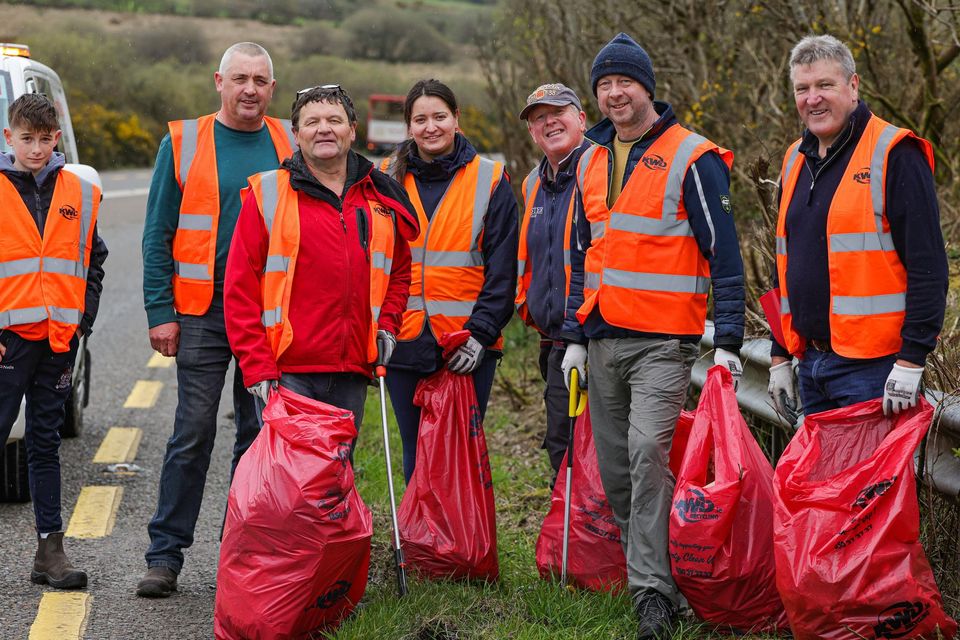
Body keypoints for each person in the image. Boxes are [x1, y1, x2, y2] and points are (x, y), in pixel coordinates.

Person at [572, 33, 745, 639]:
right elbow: (582, 254)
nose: (615, 93)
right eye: (604, 85)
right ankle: (649, 565)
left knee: (648, 457)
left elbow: (725, 255)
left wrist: (728, 339)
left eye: (625, 82)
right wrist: (573, 334)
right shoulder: (590, 157)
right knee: (617, 469)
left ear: (648, 87)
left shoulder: (691, 156)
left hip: (663, 344)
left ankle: (653, 593)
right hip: (600, 339)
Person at [138, 42, 295, 598]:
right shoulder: (181, 141)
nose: (249, 89)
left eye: (259, 80)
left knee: (258, 436)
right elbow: (156, 233)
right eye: (239, 78)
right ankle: (165, 555)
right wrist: (161, 311)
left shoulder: (291, 142)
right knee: (192, 432)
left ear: (272, 89)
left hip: (268, 314)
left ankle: (242, 554)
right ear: (218, 81)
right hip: (201, 313)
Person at [767, 35, 947, 420]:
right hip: (810, 365)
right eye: (803, 88)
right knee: (819, 483)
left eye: (824, 85)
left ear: (853, 86)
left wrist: (912, 360)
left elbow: (928, 267)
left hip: (875, 371)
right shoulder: (792, 161)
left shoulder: (895, 154)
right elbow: (781, 267)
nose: (812, 98)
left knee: (868, 483)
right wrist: (779, 353)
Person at [224, 85, 418, 436]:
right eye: (312, 122)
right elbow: (240, 288)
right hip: (287, 371)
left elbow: (399, 271)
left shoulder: (379, 196)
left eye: (334, 120)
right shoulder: (267, 194)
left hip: (353, 368)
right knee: (294, 481)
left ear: (352, 129)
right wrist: (256, 365)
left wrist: (388, 324)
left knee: (336, 479)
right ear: (296, 135)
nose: (324, 128)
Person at [382, 79, 519, 483]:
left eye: (439, 116)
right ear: (408, 127)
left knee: (458, 452)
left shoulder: (491, 180)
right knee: (415, 449)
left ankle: (457, 544)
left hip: (467, 344)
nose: (431, 127)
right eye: (420, 119)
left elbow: (503, 271)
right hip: (403, 338)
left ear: (456, 119)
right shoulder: (386, 179)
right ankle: (419, 540)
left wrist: (481, 333)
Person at [0, 93, 108, 589]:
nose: (37, 149)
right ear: (8, 138)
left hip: (58, 341)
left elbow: (93, 259)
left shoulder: (79, 191)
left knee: (44, 444)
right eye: (27, 139)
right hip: (8, 341)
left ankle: (50, 551)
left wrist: (83, 320)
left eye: (45, 140)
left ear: (57, 138)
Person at [515, 83, 592, 477]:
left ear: (580, 118)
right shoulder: (532, 184)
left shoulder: (603, 170)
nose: (549, 123)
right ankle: (571, 535)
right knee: (562, 446)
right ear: (531, 132)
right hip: (554, 341)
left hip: (599, 340)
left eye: (557, 113)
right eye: (538, 119)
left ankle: (603, 536)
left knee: (598, 453)